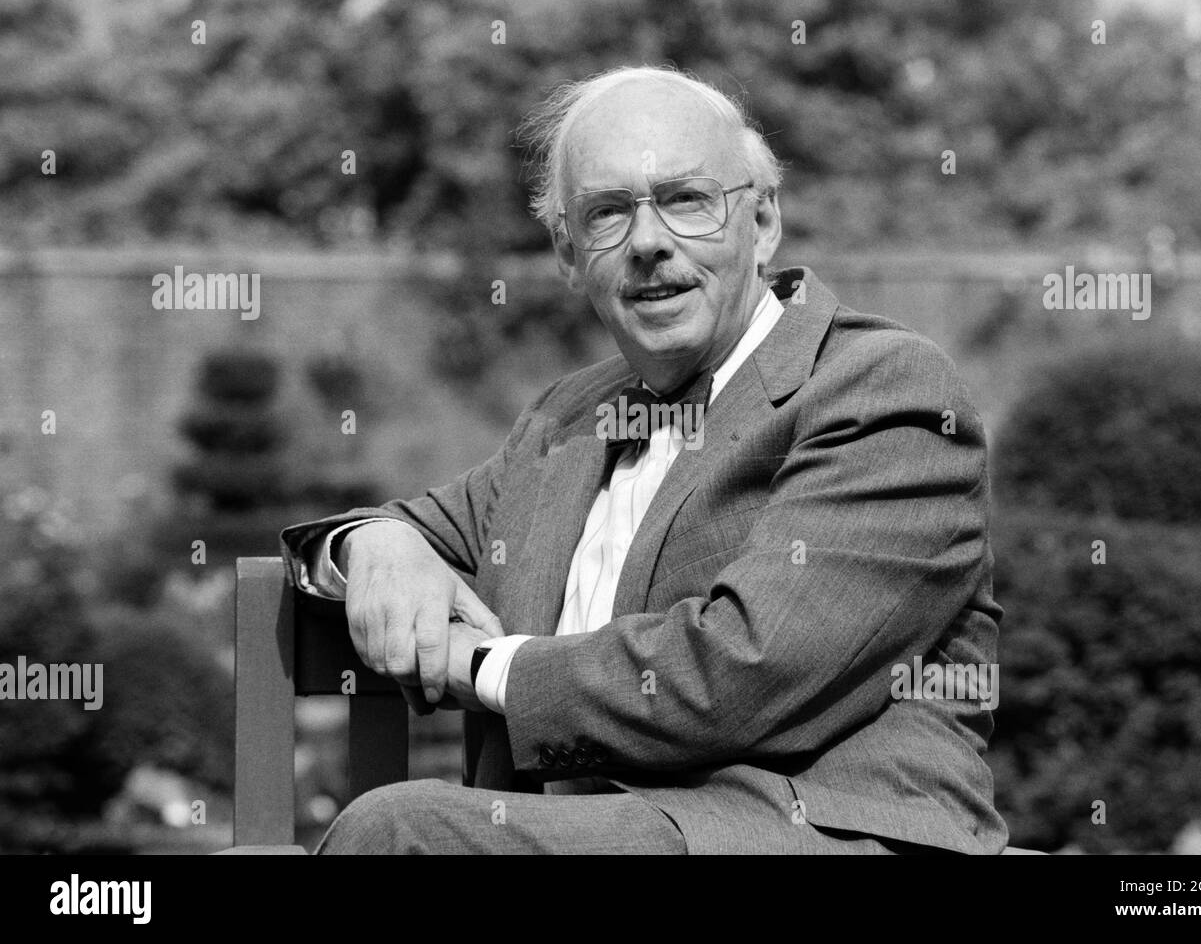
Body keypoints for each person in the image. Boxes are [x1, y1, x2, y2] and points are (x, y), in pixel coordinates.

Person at [280, 65, 1007, 854]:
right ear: (567, 254)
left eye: (687, 200)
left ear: (762, 223)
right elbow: (420, 525)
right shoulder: (567, 419)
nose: (649, 242)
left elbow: (741, 674)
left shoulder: (880, 389)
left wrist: (483, 666)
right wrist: (374, 544)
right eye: (607, 214)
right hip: (582, 835)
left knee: (400, 832)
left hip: (799, 834)